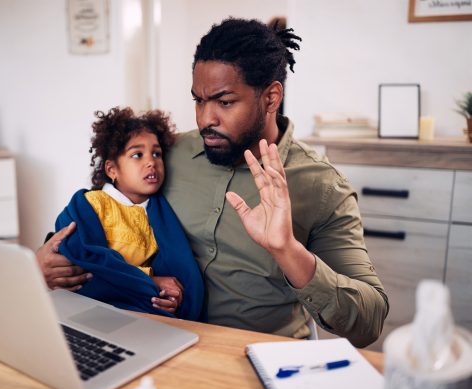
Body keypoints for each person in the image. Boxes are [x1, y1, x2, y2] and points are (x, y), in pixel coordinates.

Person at [37, 18, 388, 347]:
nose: (206, 118)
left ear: (270, 97)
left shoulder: (323, 187)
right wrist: (48, 259)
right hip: (155, 337)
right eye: (199, 100)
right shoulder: (168, 155)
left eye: (224, 101)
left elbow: (368, 321)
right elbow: (105, 213)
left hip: (254, 353)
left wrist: (287, 250)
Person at [50, 107, 205, 321]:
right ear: (112, 169)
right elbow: (87, 263)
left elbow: (174, 269)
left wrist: (168, 296)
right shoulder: (92, 204)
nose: (151, 162)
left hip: (143, 315)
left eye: (156, 153)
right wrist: (151, 281)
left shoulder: (159, 213)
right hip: (95, 310)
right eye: (137, 155)